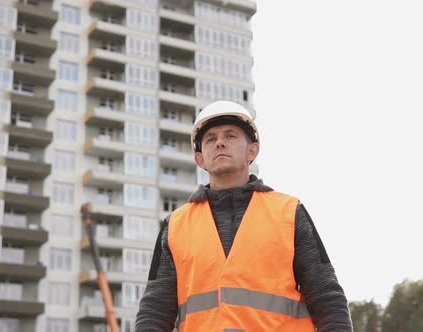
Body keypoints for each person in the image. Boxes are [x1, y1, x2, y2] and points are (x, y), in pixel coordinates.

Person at [135, 100, 353, 331]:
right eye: (210, 139)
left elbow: (326, 297)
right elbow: (155, 309)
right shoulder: (176, 226)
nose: (219, 143)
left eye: (231, 136)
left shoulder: (288, 212)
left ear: (252, 150)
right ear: (200, 159)